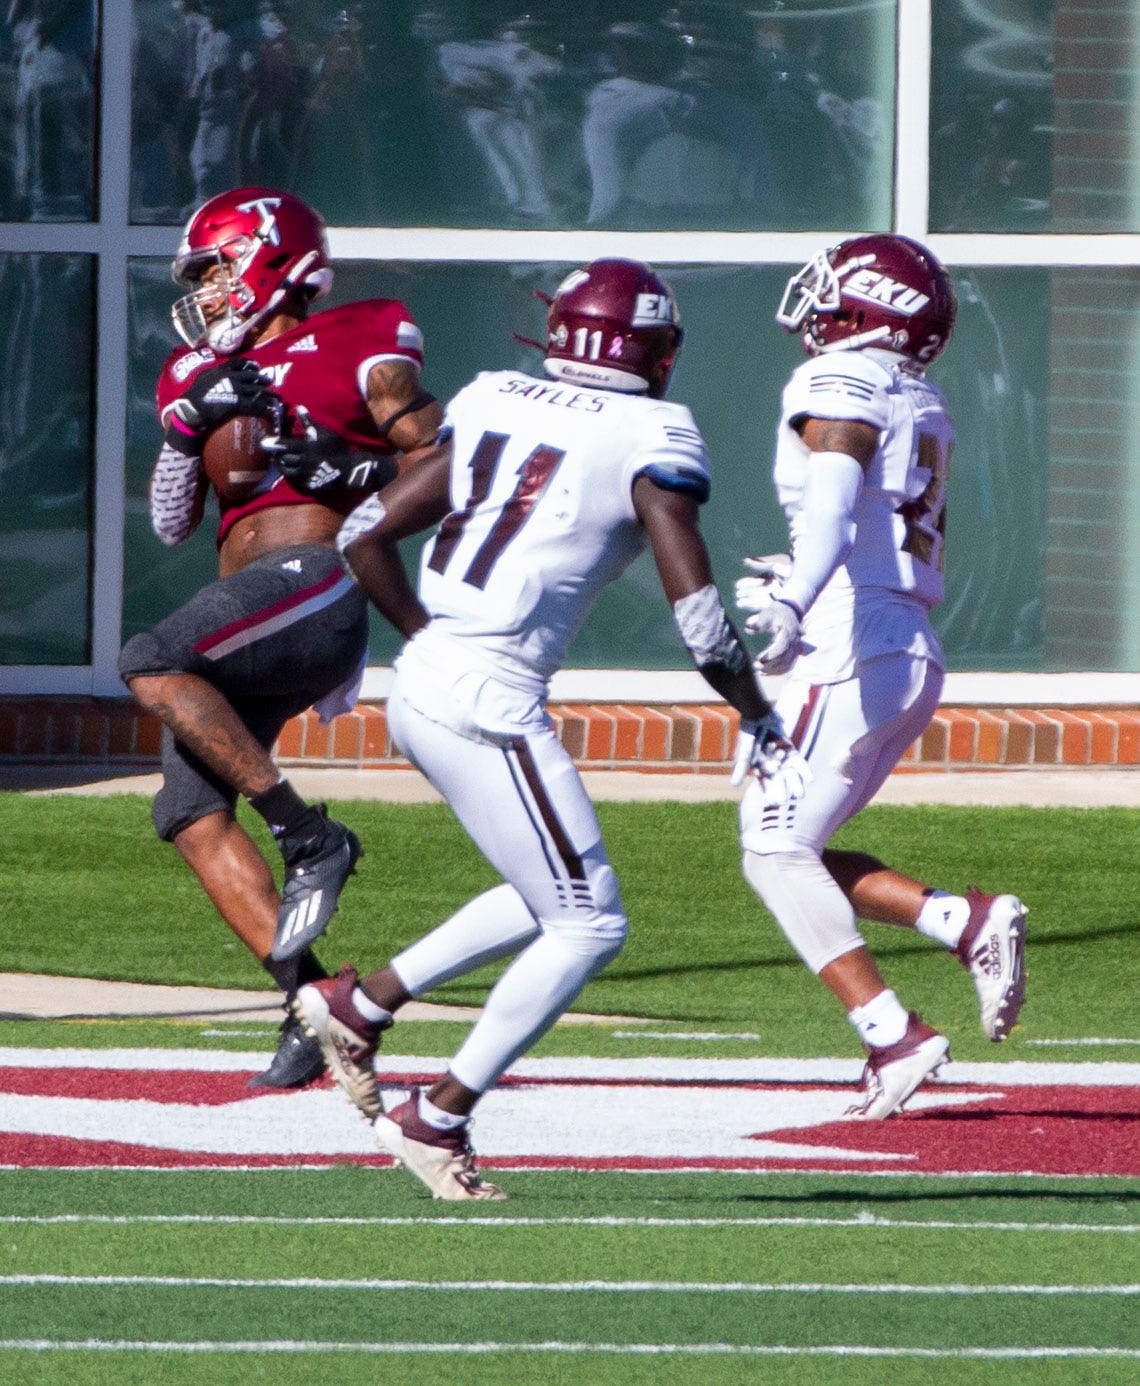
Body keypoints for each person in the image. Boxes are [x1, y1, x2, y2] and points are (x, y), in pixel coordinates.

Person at [290, 257, 809, 1199]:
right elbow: (699, 619)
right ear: (654, 350)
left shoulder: (497, 395)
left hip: (426, 681)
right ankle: (437, 1115)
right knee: (590, 923)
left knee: (549, 897)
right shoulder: (653, 432)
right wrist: (758, 710)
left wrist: (424, 634)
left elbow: (362, 528)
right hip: (488, 698)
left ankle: (359, 1005)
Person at [118, 186, 443, 1088]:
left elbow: (445, 465)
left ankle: (309, 836)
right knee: (187, 813)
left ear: (268, 258)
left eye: (215, 269)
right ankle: (313, 1007)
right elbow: (172, 522)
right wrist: (190, 421)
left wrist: (358, 470)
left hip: (318, 580)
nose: (205, 292)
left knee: (148, 658)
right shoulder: (194, 368)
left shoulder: (361, 336)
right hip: (246, 609)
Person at [733, 233, 1028, 1120]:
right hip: (897, 640)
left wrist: (794, 600)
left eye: (835, 287)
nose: (817, 300)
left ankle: (893, 1034)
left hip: (851, 639)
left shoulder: (843, 377)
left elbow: (832, 509)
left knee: (775, 852)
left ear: (871, 306)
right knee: (799, 848)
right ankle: (959, 922)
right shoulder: (916, 391)